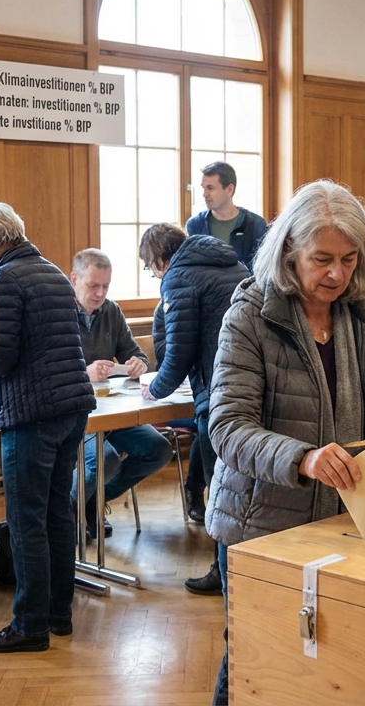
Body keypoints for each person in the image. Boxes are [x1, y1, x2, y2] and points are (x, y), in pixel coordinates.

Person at [206, 179, 365, 705]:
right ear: (288, 252)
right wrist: (302, 458)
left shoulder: (358, 315)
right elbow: (227, 427)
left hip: (344, 520)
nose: (336, 274)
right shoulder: (250, 317)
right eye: (322, 258)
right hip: (261, 524)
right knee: (256, 660)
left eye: (349, 260)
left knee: (325, 668)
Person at [0, 203, 98, 653]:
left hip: (32, 415)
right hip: (71, 409)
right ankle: (58, 614)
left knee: (27, 520)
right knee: (56, 512)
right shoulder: (51, 270)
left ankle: (29, 625)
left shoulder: (2, 279)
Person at [139, 223, 250, 595]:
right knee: (243, 486)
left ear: (160, 260)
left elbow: (179, 351)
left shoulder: (179, 277)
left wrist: (155, 388)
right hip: (252, 386)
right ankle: (245, 569)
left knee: (222, 490)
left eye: (151, 267)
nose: (155, 274)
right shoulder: (233, 265)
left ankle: (223, 573)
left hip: (218, 391)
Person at [67, 248, 170, 539]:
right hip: (74, 416)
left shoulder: (110, 310)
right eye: (93, 286)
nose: (100, 293)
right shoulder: (57, 313)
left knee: (158, 449)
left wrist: (139, 363)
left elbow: (136, 354)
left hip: (110, 413)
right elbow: (43, 371)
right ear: (74, 279)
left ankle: (92, 500)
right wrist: (83, 373)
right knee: (105, 460)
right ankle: (65, 515)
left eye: (105, 286)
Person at [185, 161, 269, 271]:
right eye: (203, 188)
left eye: (210, 188)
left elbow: (263, 270)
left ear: (229, 189)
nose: (204, 194)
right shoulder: (195, 225)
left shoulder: (256, 225)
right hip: (206, 288)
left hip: (244, 287)